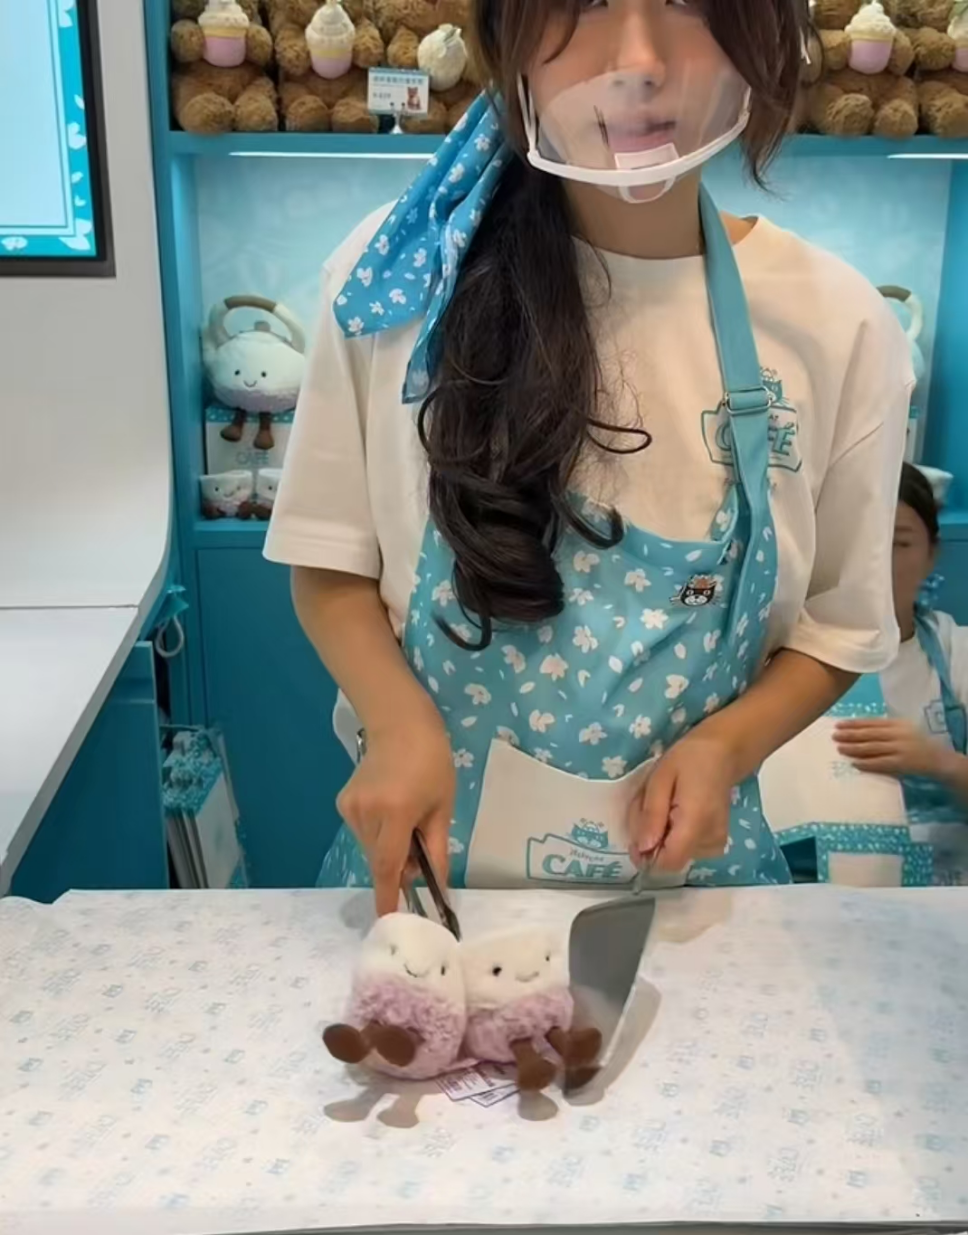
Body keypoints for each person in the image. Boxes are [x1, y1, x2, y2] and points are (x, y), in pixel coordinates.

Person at [265, 0, 913, 914]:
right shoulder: (402, 278)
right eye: (581, 1)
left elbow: (837, 629)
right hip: (429, 902)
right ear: (507, 36)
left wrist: (726, 747)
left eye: (687, 4)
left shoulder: (838, 325)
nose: (637, 61)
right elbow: (330, 564)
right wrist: (398, 722)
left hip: (690, 912)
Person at [835, 463, 967, 819]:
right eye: (858, 539)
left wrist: (939, 763)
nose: (875, 560)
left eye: (898, 543)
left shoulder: (957, 651)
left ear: (931, 555)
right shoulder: (774, 654)